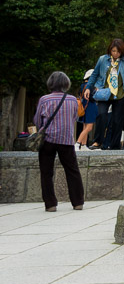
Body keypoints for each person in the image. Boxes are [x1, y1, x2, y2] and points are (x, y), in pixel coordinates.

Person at [35, 71, 84, 212]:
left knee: (46, 172)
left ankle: (50, 204)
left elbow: (38, 120)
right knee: (72, 170)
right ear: (66, 84)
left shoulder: (44, 100)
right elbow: (74, 117)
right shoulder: (73, 100)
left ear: (51, 83)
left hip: (48, 140)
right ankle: (78, 202)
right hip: (67, 140)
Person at [84, 39, 124, 150]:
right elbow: (94, 74)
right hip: (104, 92)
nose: (115, 53)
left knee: (117, 120)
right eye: (113, 51)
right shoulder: (103, 59)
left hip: (120, 94)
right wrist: (88, 88)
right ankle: (98, 141)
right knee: (101, 114)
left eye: (118, 51)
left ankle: (115, 145)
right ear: (110, 50)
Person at [75, 69, 97, 150]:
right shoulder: (89, 86)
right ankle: (77, 143)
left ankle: (83, 145)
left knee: (85, 127)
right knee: (89, 127)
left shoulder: (83, 85)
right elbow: (92, 97)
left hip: (85, 107)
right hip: (90, 107)